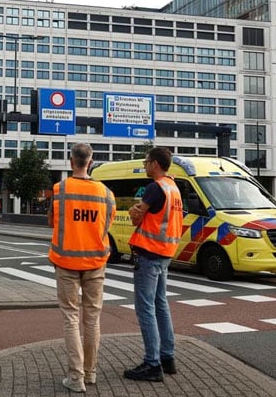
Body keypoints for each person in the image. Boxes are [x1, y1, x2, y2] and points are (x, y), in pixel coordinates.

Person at [47, 143, 116, 393]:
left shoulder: (60, 189)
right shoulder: (106, 193)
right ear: (91, 161)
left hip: (66, 262)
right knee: (92, 319)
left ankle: (76, 378)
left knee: (71, 318)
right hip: (96, 263)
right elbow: (105, 225)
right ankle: (91, 373)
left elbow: (53, 221)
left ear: (70, 161)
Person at [124, 147, 183, 382]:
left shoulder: (155, 188)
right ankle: (167, 358)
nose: (145, 166)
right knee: (161, 305)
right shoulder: (174, 188)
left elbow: (136, 216)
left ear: (156, 164)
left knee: (145, 308)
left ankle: (152, 364)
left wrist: (133, 210)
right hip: (166, 253)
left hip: (149, 254)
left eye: (147, 162)